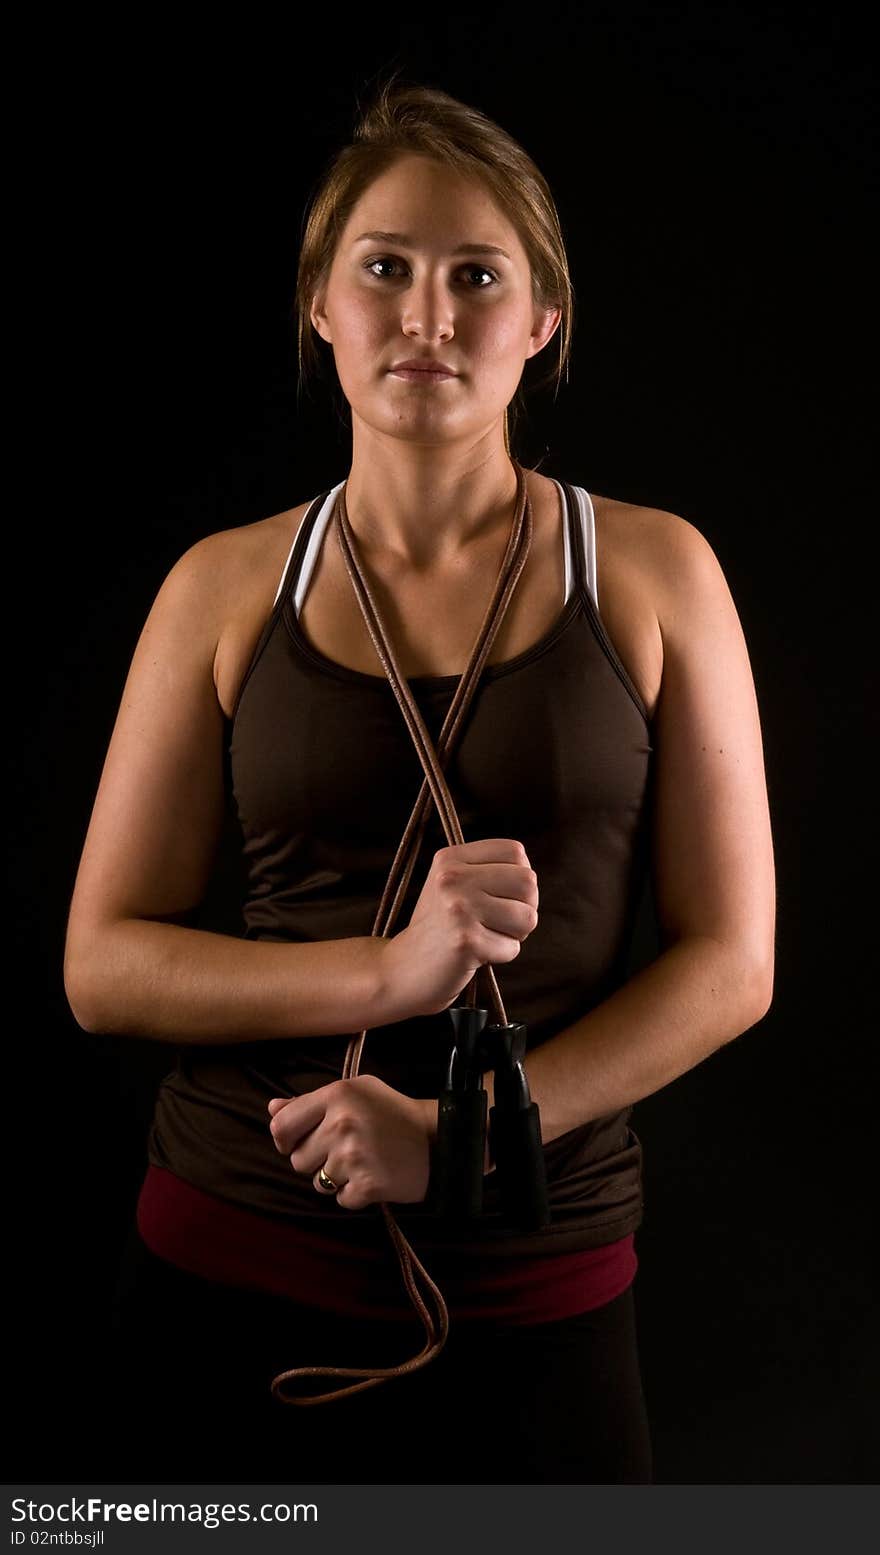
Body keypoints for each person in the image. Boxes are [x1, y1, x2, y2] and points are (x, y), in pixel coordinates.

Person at [63, 74, 776, 1487]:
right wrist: (391, 977)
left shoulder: (652, 573)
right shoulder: (220, 587)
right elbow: (104, 968)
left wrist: (461, 1140)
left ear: (541, 324)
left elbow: (734, 963)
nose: (429, 316)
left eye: (477, 275)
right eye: (384, 268)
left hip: (539, 1279)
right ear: (322, 306)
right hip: (226, 1265)